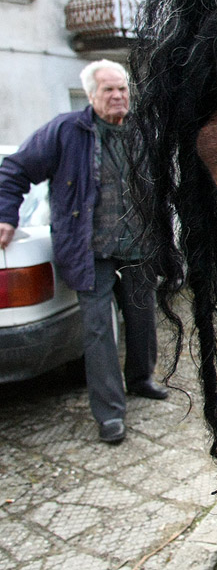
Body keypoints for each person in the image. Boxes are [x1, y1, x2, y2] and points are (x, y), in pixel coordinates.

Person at [0, 60, 165, 445]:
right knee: (98, 331)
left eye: (122, 88)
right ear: (91, 96)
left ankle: (141, 378)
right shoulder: (65, 131)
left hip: (139, 243)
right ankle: (110, 414)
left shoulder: (143, 130)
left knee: (142, 317)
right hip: (90, 249)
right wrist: (6, 216)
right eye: (109, 90)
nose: (119, 95)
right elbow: (15, 170)